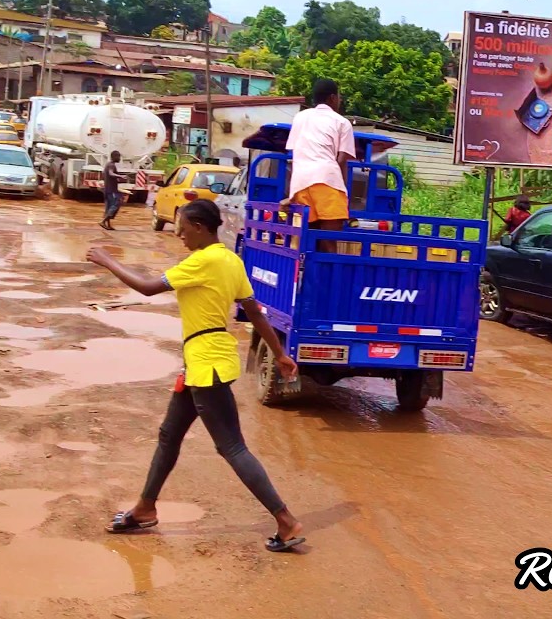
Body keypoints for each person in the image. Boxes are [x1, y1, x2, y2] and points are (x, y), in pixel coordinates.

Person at [86, 200, 306, 551]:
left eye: (183, 230)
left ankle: (286, 521)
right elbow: (254, 311)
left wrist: (107, 259)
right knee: (168, 435)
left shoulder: (202, 261)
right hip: (206, 360)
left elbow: (146, 287)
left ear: (201, 228)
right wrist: (279, 354)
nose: (179, 236)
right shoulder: (232, 260)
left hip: (207, 365)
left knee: (232, 447)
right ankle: (145, 508)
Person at [285, 78, 355, 252]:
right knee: (328, 242)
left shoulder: (299, 117)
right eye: (339, 97)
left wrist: (292, 193)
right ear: (332, 98)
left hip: (301, 184)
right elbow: (341, 161)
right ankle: (330, 279)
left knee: (308, 241)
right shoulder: (342, 122)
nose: (340, 101)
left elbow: (295, 156)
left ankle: (304, 278)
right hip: (327, 181)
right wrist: (344, 193)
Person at [101, 150, 123, 231]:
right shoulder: (111, 165)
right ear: (114, 157)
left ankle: (108, 225)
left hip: (107, 189)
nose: (119, 158)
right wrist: (121, 176)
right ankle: (103, 222)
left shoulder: (108, 164)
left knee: (109, 206)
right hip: (112, 190)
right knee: (116, 204)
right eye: (118, 156)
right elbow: (111, 173)